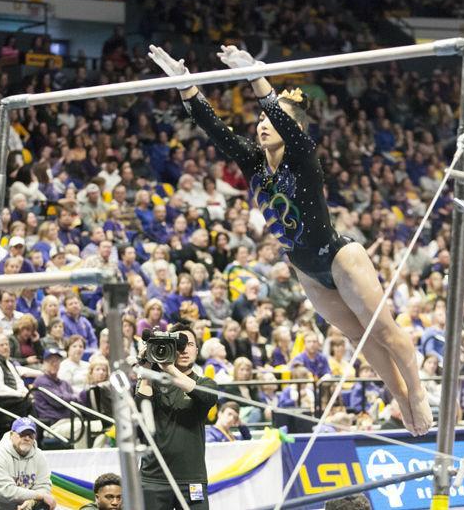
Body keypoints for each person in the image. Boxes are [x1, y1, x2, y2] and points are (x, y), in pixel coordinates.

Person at [148, 44, 432, 435]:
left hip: (338, 257)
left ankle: (416, 392)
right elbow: (213, 127)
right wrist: (185, 84)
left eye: (271, 119)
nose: (262, 124)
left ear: (291, 129)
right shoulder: (252, 162)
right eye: (259, 119)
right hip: (306, 270)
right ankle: (400, 398)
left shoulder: (303, 155)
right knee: (357, 337)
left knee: (380, 330)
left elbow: (280, 113)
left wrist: (255, 76)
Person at [135, 322, 218, 509]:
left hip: (191, 479)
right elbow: (141, 408)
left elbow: (204, 396)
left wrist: (167, 367)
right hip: (153, 479)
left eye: (189, 344)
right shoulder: (151, 382)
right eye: (178, 345)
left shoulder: (206, 383)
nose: (184, 349)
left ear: (197, 350)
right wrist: (147, 365)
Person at [0, 417, 56, 510]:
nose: (27, 438)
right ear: (11, 435)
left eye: (30, 435)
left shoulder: (39, 455)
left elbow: (44, 485)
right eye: (22, 434)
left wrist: (32, 501)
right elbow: (7, 492)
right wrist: (39, 496)